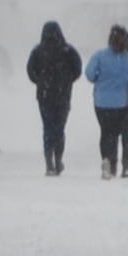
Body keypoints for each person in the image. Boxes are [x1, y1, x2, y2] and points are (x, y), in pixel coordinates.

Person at [24, 20, 86, 174]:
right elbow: (78, 69)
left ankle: (49, 163)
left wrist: (40, 81)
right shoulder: (68, 50)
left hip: (44, 95)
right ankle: (58, 160)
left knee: (47, 128)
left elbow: (30, 70)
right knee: (59, 128)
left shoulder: (38, 51)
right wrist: (68, 80)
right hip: (63, 94)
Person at [85, 23, 128, 176]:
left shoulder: (100, 56)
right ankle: (125, 166)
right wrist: (125, 86)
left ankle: (107, 159)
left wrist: (100, 81)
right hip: (122, 103)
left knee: (106, 132)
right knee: (123, 134)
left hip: (101, 102)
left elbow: (89, 74)